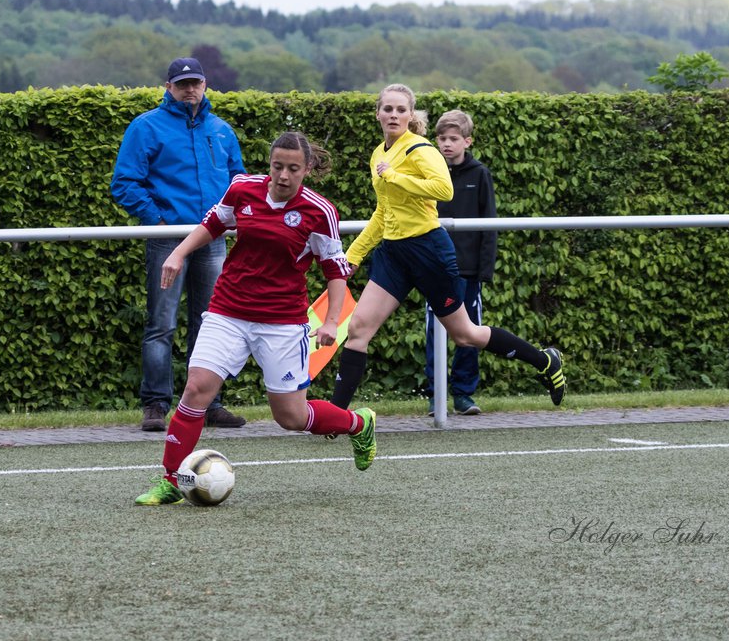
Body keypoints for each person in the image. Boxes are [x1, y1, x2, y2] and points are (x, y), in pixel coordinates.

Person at [134, 132, 378, 506]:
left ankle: (359, 424)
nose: (283, 175)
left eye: (293, 169)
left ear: (307, 169)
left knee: (291, 417)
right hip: (227, 310)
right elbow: (213, 224)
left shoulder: (320, 212)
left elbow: (335, 272)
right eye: (277, 166)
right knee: (196, 388)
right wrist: (179, 253)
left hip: (281, 323)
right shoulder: (242, 189)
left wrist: (331, 322)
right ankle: (170, 480)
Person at [329, 84, 566, 413]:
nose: (394, 115)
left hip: (428, 251)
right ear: (378, 113)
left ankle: (545, 361)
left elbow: (444, 189)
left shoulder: (420, 149)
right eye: (388, 109)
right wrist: (353, 255)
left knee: (465, 335)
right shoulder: (378, 154)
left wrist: (396, 177)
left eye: (401, 110)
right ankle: (335, 417)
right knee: (358, 329)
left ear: (411, 115)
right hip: (394, 255)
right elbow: (382, 213)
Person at [111, 57, 248, 432]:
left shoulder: (221, 130)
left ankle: (208, 404)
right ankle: (155, 406)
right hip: (167, 239)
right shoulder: (146, 127)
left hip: (212, 237)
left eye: (196, 83)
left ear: (205, 85)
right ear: (169, 86)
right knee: (162, 323)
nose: (190, 89)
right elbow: (124, 183)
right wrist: (158, 221)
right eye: (183, 83)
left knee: (213, 324)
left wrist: (235, 217)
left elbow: (239, 181)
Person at [425, 109, 497, 416]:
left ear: (467, 141)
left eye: (453, 139)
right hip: (435, 269)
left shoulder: (480, 174)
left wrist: (485, 269)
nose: (447, 144)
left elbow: (489, 222)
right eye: (442, 138)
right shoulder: (429, 171)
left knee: (469, 332)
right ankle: (434, 394)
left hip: (468, 271)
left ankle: (464, 394)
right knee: (433, 332)